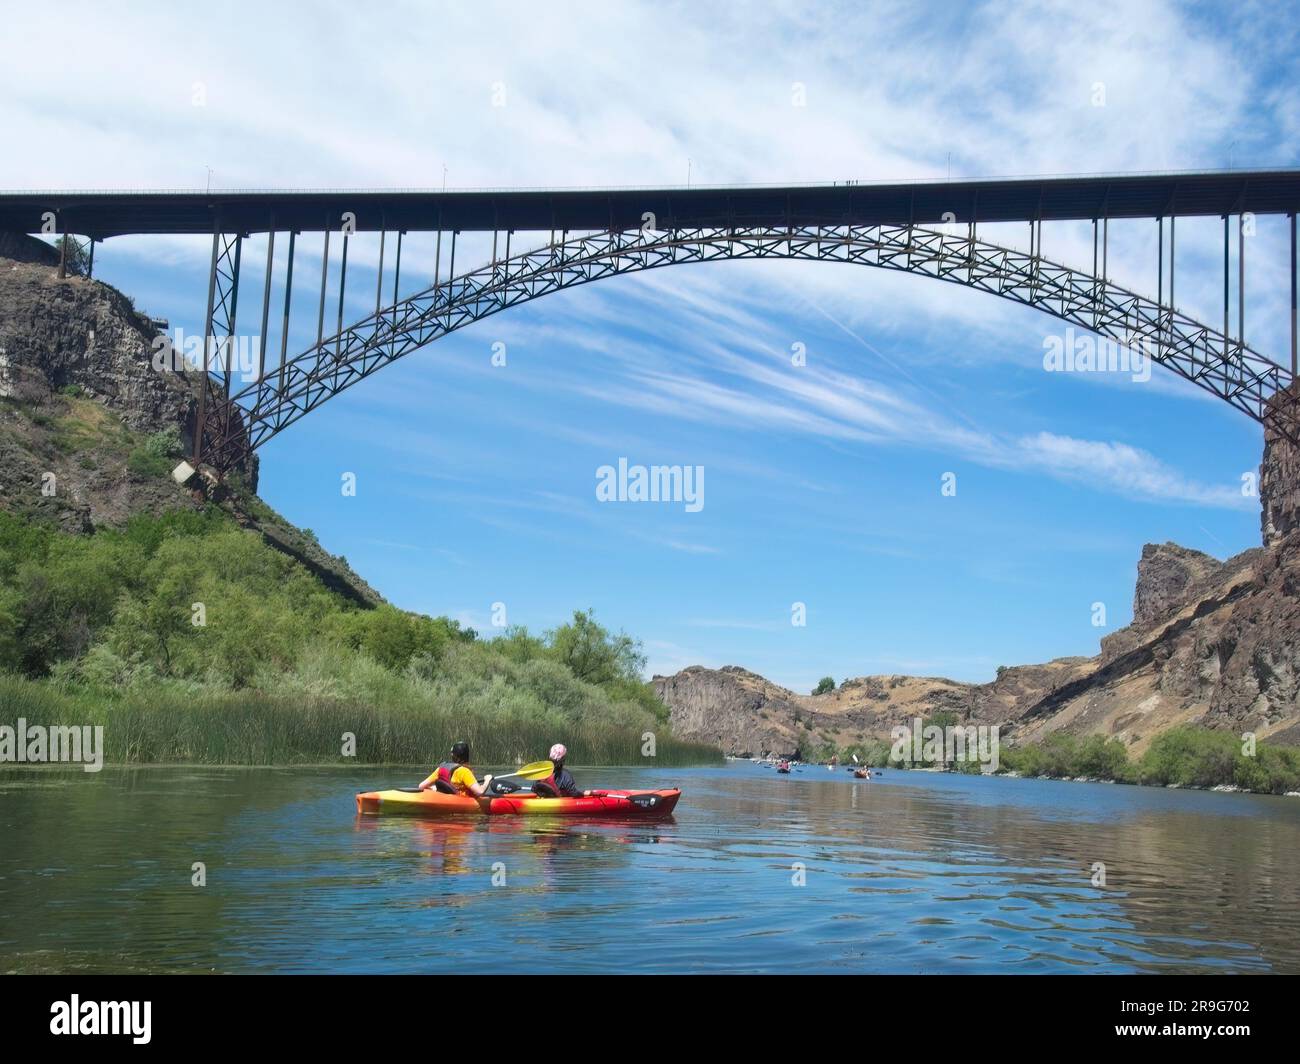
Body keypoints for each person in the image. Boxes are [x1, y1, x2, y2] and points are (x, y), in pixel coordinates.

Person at [419, 740, 493, 797]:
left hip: (445, 797)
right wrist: (487, 780)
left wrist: (434, 789)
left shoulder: (441, 768)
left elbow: (421, 786)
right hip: (460, 800)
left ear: (453, 755)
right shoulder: (465, 772)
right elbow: (480, 792)